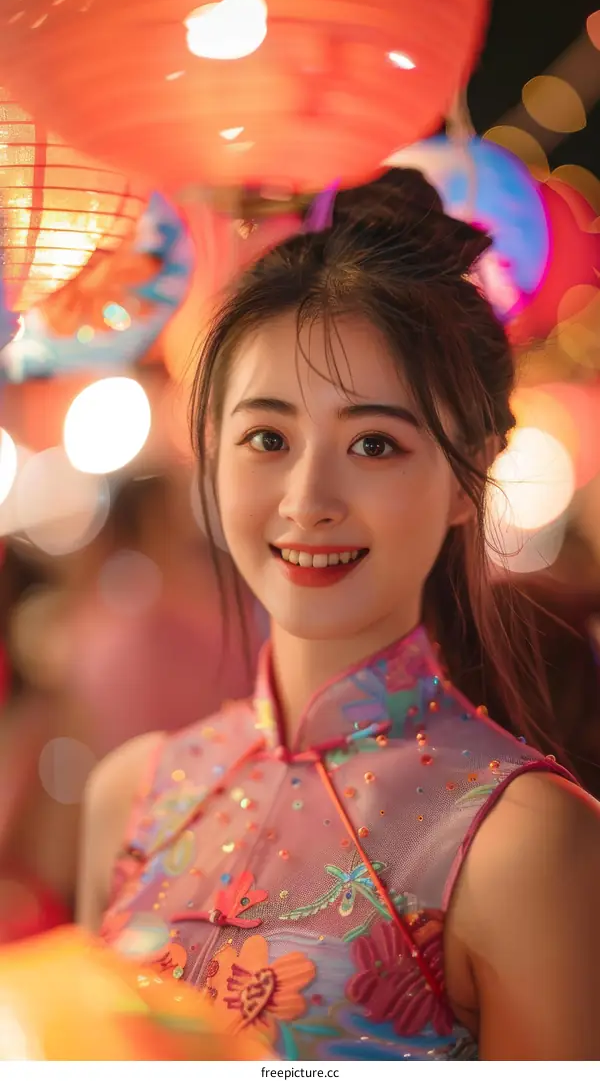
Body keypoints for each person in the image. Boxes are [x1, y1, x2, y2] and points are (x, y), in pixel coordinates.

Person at [78, 170, 600, 1061]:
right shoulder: (129, 795)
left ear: (466, 477)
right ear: (213, 452)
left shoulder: (525, 842)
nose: (308, 499)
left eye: (374, 443)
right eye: (267, 438)